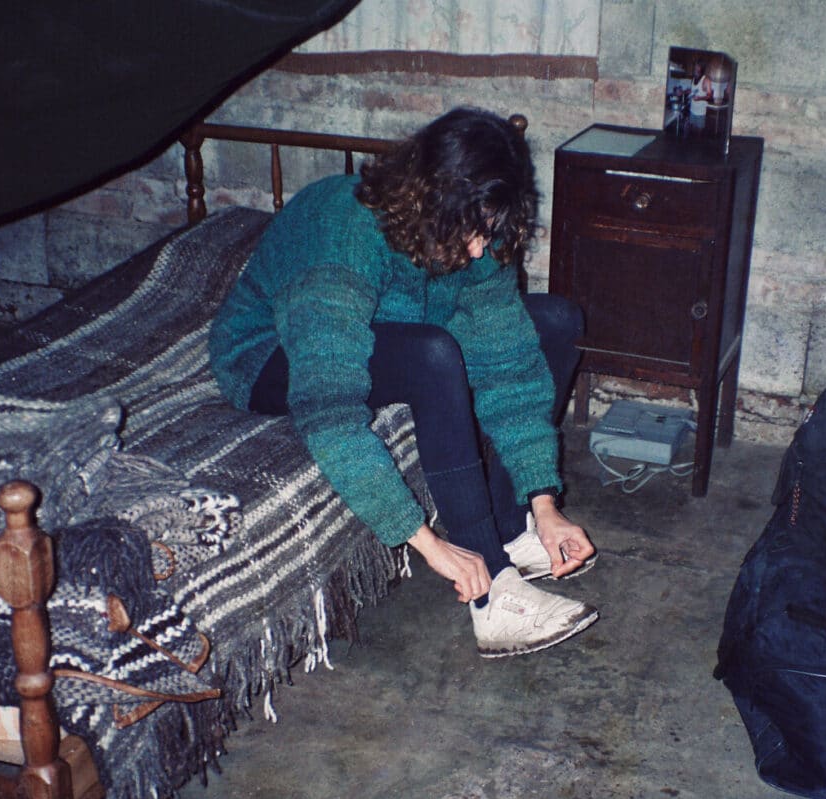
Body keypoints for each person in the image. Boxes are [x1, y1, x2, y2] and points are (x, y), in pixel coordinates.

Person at [209, 107, 598, 658]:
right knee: (432, 356)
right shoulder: (339, 238)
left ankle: (513, 527)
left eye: (488, 234)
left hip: (390, 324)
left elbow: (508, 366)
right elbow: (330, 412)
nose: (479, 252)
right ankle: (491, 593)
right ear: (429, 200)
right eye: (472, 234)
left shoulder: (470, 231)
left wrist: (545, 501)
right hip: (270, 355)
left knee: (554, 320)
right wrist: (427, 542)